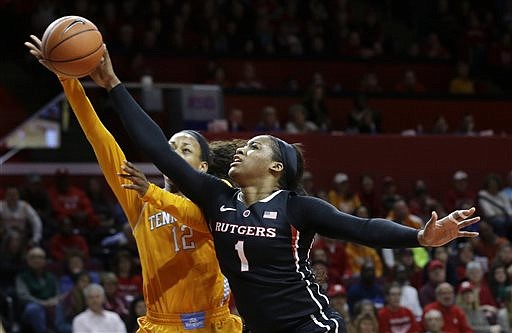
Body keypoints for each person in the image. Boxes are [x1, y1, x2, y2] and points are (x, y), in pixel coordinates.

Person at [63, 43, 479, 333]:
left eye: (255, 146)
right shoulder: (216, 198)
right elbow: (157, 150)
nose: (243, 148)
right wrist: (113, 84)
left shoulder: (299, 208)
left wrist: (421, 236)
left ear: (276, 167)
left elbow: (365, 229)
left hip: (309, 325)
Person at [25, 37, 242, 332]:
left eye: (184, 150)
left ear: (203, 167)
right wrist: (68, 79)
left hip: (214, 323)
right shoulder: (139, 199)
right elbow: (100, 139)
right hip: (161, 324)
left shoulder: (217, 197)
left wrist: (150, 191)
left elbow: (193, 215)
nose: (171, 155)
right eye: (169, 147)